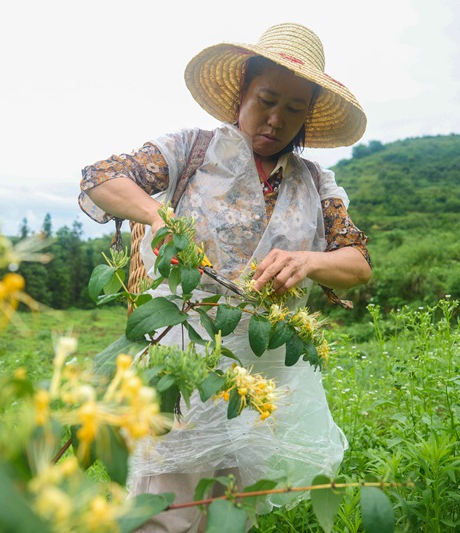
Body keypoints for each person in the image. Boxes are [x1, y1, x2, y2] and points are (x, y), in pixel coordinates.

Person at [78, 22, 372, 533]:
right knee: (166, 508)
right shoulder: (189, 151)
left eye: (294, 109)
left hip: (264, 378)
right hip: (185, 359)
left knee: (234, 512)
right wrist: (160, 218)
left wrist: (309, 262)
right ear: (242, 93)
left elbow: (357, 262)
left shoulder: (316, 183)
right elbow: (103, 177)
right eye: (267, 99)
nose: (276, 120)